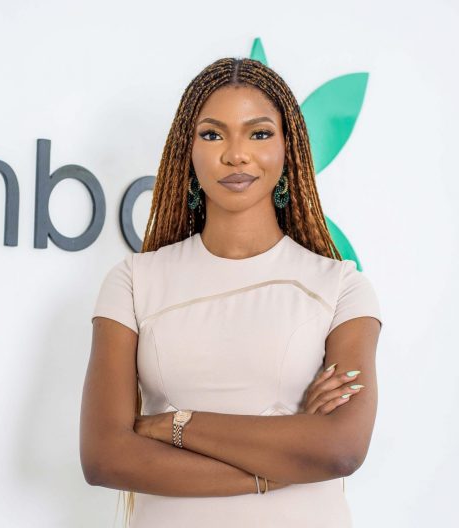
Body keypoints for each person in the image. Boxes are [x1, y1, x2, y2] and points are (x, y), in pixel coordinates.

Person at [80, 57, 383, 527]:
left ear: (288, 149)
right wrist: (284, 460)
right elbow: (105, 457)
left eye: (259, 133)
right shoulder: (134, 281)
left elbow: (341, 449)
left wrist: (174, 426)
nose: (236, 154)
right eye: (212, 134)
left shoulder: (341, 287)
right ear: (187, 149)